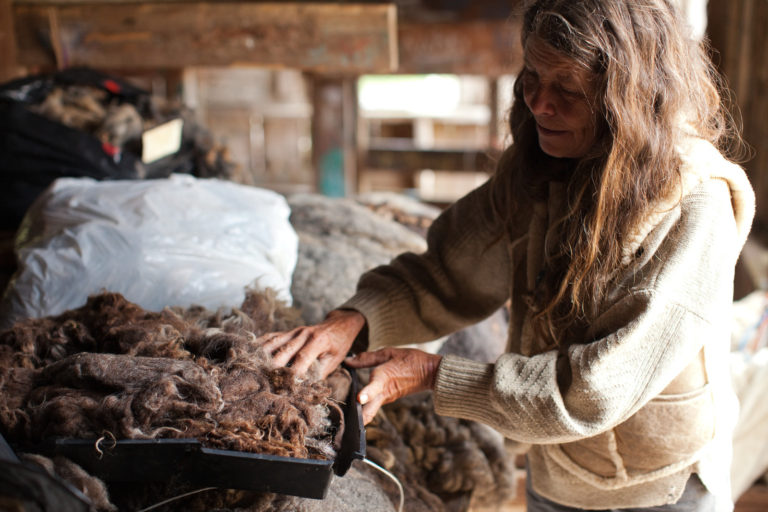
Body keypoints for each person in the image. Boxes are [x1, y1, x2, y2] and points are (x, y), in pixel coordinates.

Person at [261, 0, 755, 510]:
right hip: (556, 464)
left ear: (628, 96)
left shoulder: (692, 204)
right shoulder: (541, 169)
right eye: (532, 77)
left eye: (567, 88)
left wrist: (434, 374)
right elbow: (446, 274)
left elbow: (594, 390)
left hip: (660, 485)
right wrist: (353, 321)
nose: (540, 103)